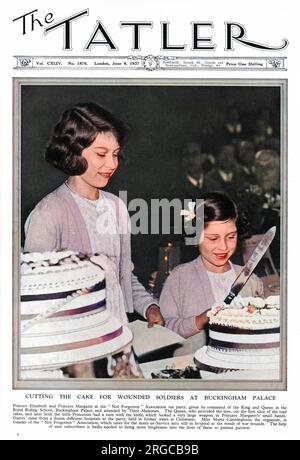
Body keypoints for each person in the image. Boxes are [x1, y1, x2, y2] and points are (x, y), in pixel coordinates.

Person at [24, 102, 164, 376]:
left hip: (120, 342)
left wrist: (149, 306)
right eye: (101, 154)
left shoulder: (117, 208)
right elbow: (35, 308)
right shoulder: (47, 214)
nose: (112, 164)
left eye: (116, 154)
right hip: (73, 356)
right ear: (74, 151)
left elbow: (122, 276)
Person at [159, 192, 264, 349]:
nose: (223, 247)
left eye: (231, 237)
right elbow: (165, 329)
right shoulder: (179, 278)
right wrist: (200, 320)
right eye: (213, 239)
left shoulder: (251, 280)